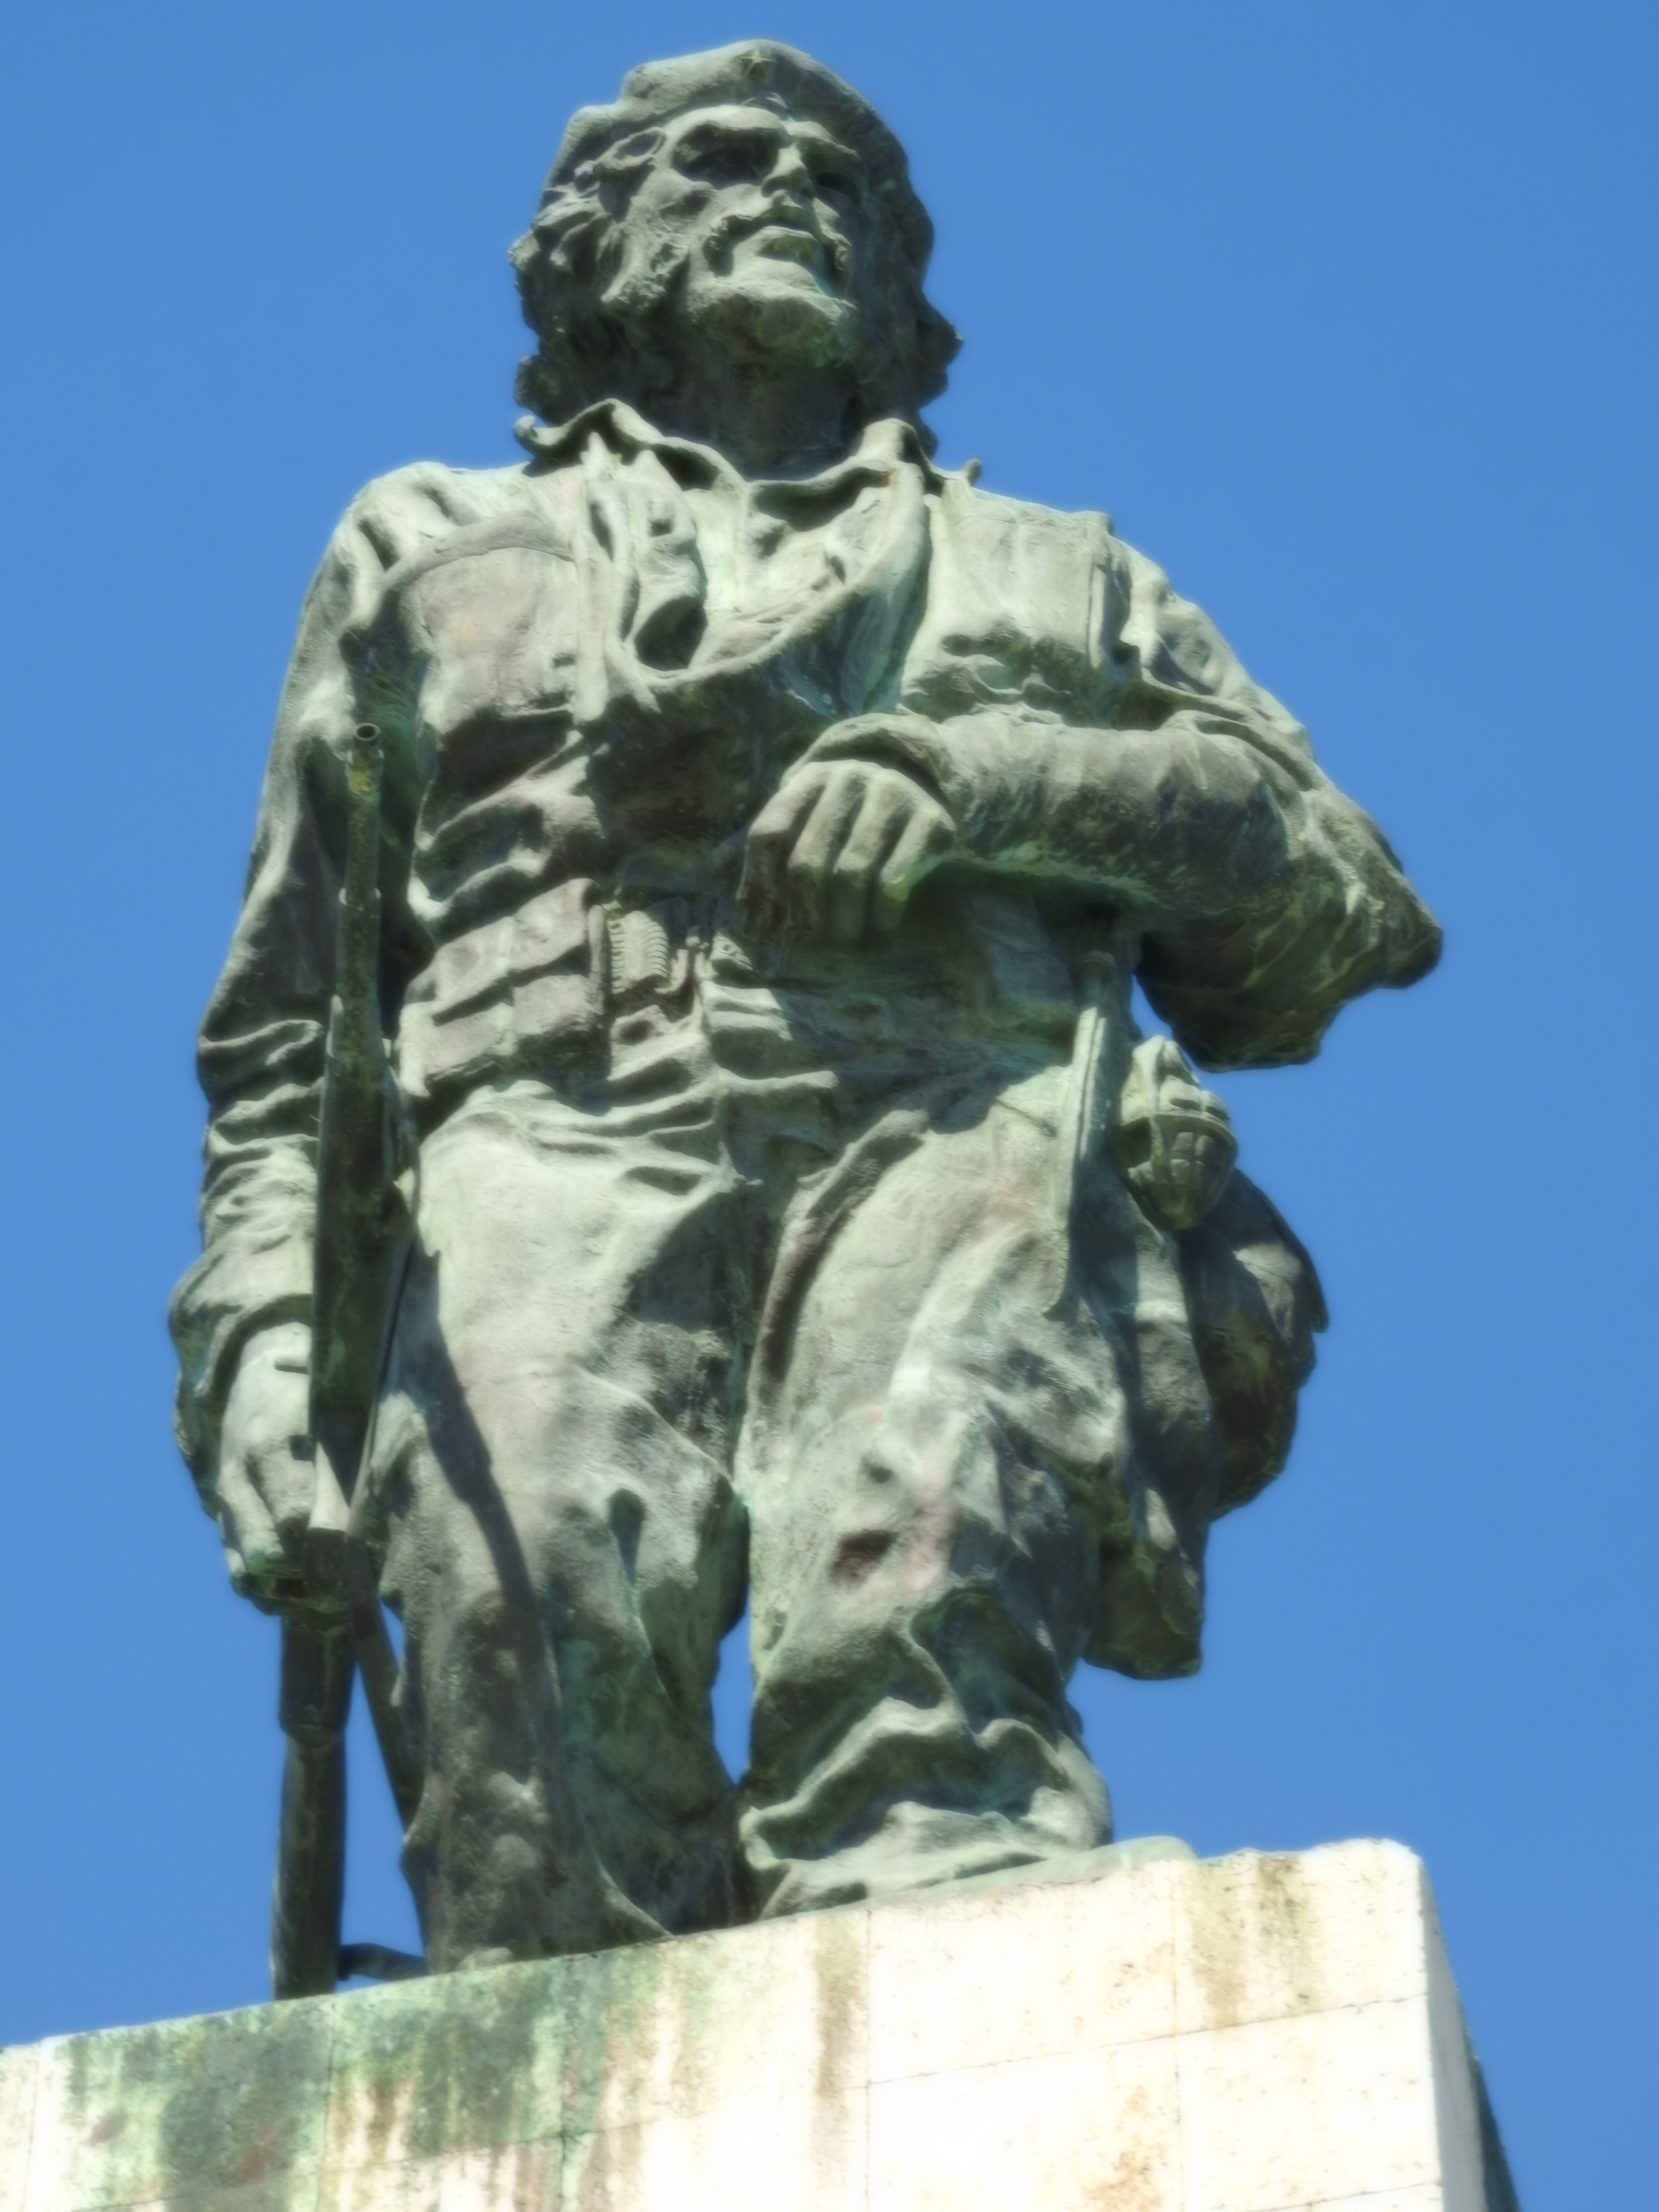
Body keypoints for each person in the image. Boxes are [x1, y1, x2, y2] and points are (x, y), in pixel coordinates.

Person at [171, 40, 1439, 1972]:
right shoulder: (426, 553)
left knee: (918, 1667)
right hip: (540, 1130)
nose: (790, 187)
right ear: (600, 251)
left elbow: (1334, 893)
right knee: (523, 1702)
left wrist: (985, 784)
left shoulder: (1058, 577)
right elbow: (287, 1042)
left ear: (900, 284)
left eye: (839, 176)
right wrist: (268, 1345)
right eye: (721, 158)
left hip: (944, 1119)